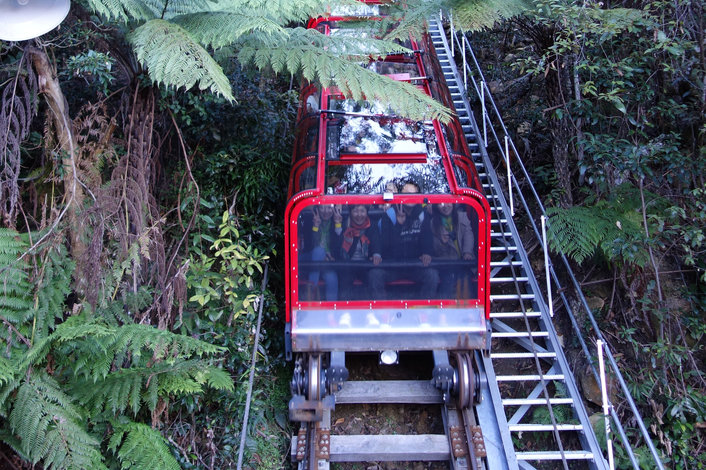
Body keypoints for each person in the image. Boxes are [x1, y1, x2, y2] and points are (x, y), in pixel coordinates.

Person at [370, 182, 439, 300]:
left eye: (414, 194)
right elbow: (386, 244)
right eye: (407, 193)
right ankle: (381, 311)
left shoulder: (422, 215)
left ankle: (425, 310)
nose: (410, 197)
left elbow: (427, 237)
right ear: (400, 195)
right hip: (392, 265)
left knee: (432, 275)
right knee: (374, 275)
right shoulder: (390, 214)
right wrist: (398, 226)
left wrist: (427, 253)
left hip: (415, 265)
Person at [431, 203, 475, 298]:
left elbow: (468, 234)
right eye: (440, 204)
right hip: (446, 264)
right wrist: (442, 243)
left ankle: (467, 309)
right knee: (448, 280)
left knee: (465, 278)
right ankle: (444, 309)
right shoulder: (433, 223)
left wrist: (467, 252)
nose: (445, 206)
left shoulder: (462, 217)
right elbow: (434, 249)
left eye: (447, 202)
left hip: (463, 262)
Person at [339, 204, 382, 300]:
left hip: (366, 265)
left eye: (362, 211)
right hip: (348, 265)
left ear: (367, 212)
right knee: (344, 278)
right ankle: (343, 310)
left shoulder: (372, 225)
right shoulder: (344, 224)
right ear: (350, 212)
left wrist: (376, 254)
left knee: (375, 277)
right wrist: (338, 229)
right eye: (355, 211)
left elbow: (376, 243)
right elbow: (337, 248)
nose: (359, 215)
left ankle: (379, 310)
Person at [302, 205, 343, 300]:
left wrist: (338, 224)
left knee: (332, 278)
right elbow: (310, 246)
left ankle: (332, 310)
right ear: (317, 209)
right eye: (322, 208)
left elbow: (339, 247)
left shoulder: (337, 221)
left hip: (326, 262)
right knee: (319, 251)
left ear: (334, 209)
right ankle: (311, 294)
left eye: (329, 208)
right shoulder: (309, 220)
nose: (326, 211)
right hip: (310, 258)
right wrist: (315, 227)